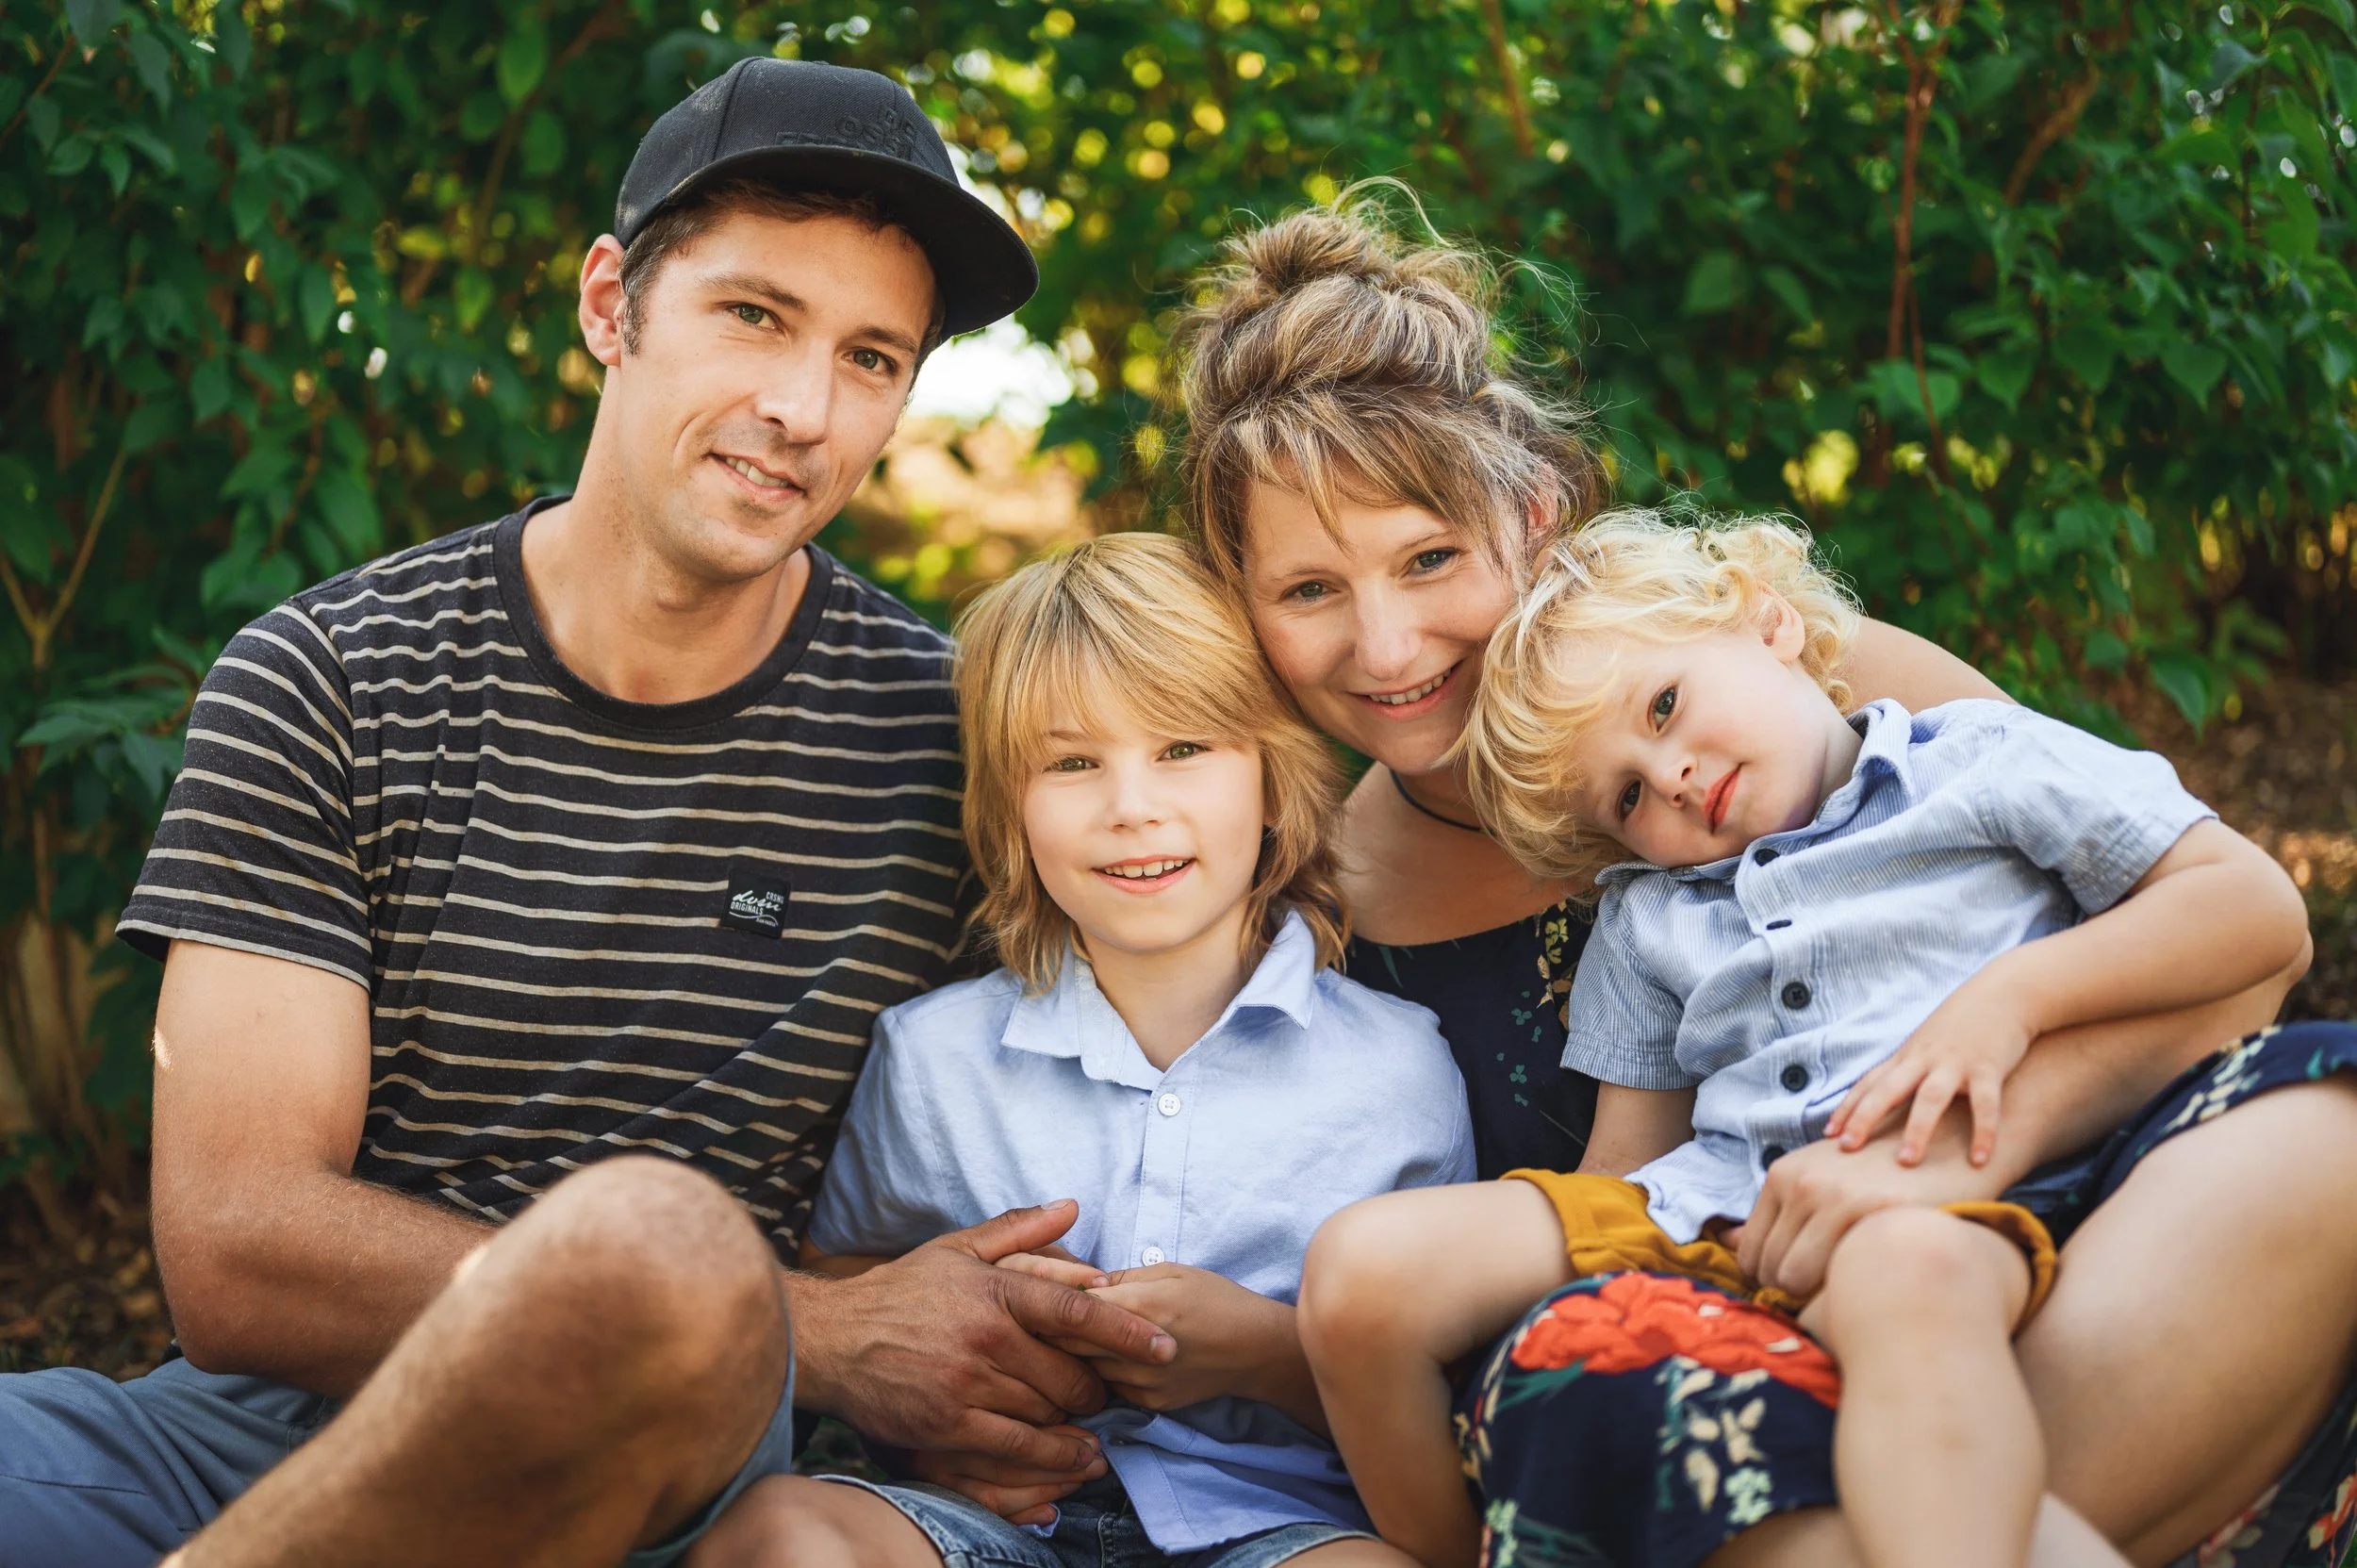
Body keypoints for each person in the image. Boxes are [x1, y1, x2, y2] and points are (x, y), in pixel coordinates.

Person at [0, 59, 1178, 1568]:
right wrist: (809, 1326)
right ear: (611, 303)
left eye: (873, 357)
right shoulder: (331, 675)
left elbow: (1231, 918)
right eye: (753, 314)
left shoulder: (959, 742)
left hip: (679, 1477)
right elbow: (237, 1246)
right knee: (659, 1261)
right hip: (250, 1442)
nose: (801, 407)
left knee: (669, 1248)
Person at [1142, 197, 2357, 1568]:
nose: (1386, 640)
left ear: (1532, 508)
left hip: (2023, 1238)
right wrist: (1270, 1339)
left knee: (2329, 1128)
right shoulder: (1305, 887)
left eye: (1430, 557)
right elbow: (1500, 1285)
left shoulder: (1808, 678)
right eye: (1307, 590)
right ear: (1244, 604)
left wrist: (1929, 1169)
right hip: (1701, 1363)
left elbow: (2237, 952)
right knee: (1654, 1408)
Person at [1297, 510, 2313, 1568]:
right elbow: (1625, 1167)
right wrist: (1595, 1306)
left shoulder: (1972, 763)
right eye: (1628, 794)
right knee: (1361, 1269)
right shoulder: (1652, 914)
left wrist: (2012, 999)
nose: (1674, 775)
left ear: (1767, 620)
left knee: (1901, 1274)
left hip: (1950, 1183)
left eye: (1664, 704)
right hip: (1725, 1210)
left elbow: (2251, 909)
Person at [687, 532, 1470, 1568]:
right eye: (1071, 763)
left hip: (1278, 1527)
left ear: (1274, 779)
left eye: (1183, 748)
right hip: (988, 1519)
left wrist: (1265, 1353)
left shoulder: (1399, 1069)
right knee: (778, 1534)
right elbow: (854, 1279)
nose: (1130, 805)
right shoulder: (932, 1056)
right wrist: (953, 1402)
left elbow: (1451, 1387)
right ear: (1011, 812)